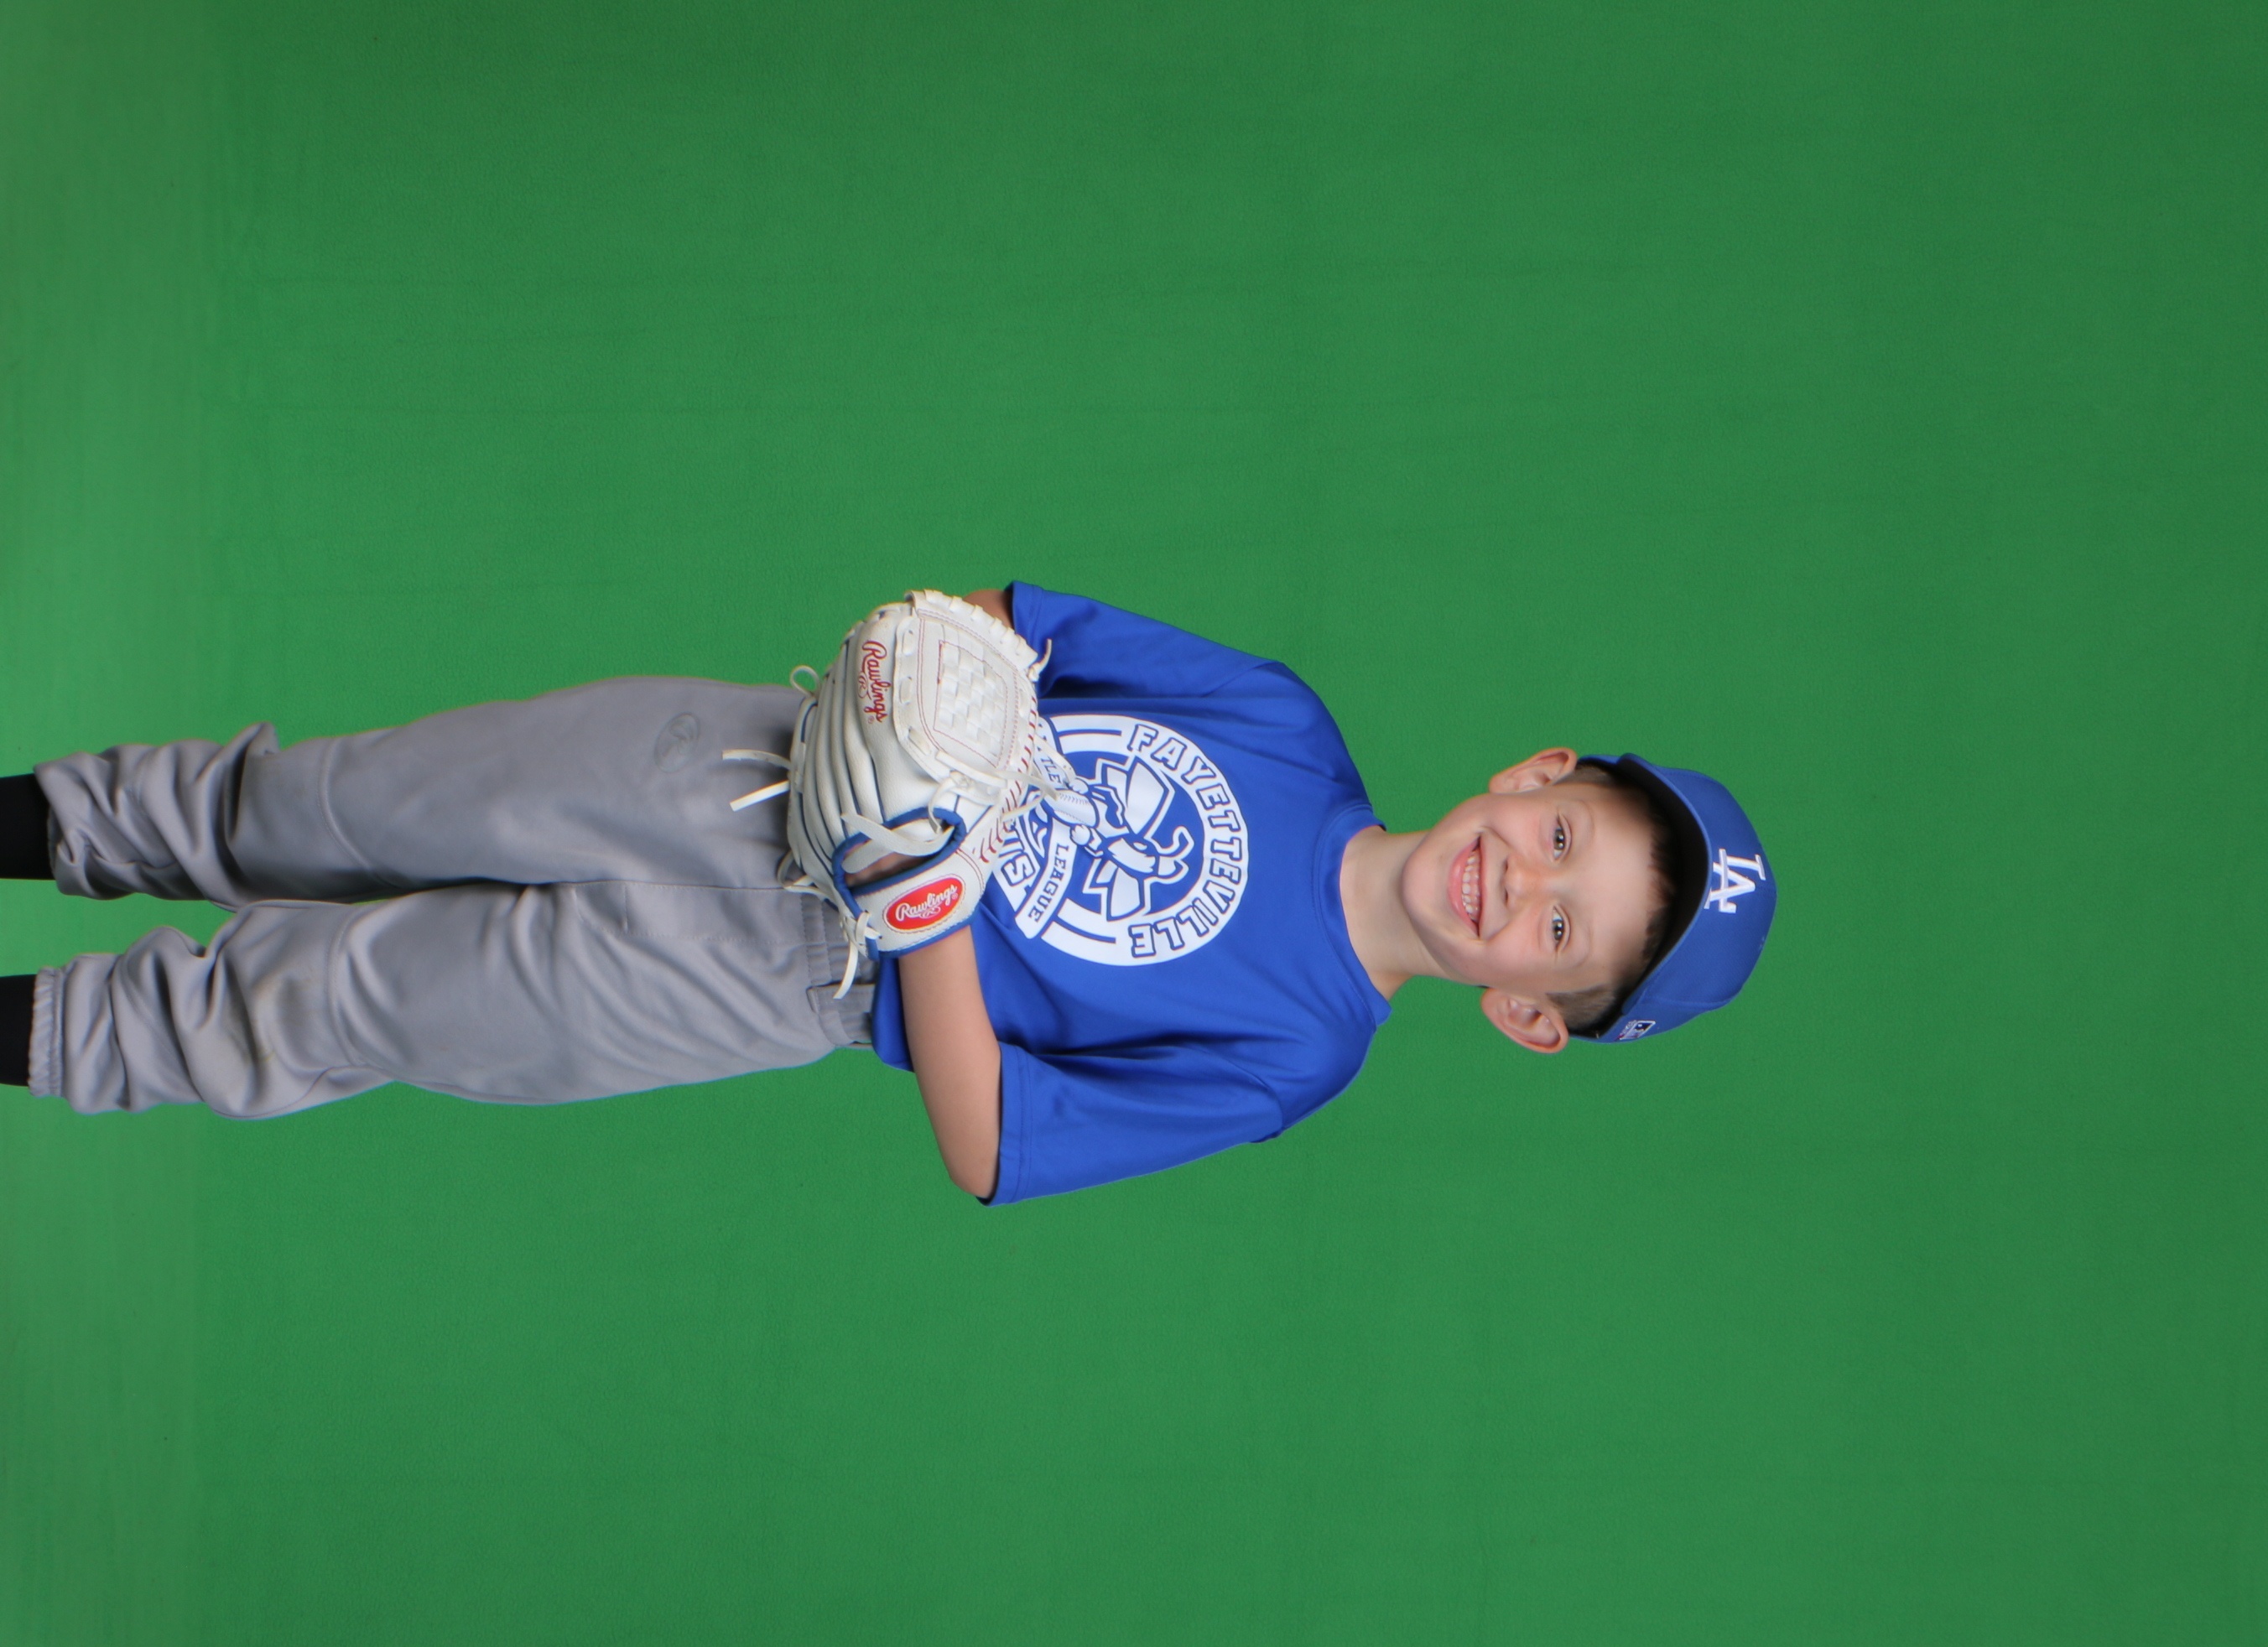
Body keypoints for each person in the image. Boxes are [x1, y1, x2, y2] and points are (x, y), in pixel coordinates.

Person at [0, 579, 1776, 1202]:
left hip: (795, 973)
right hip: (748, 759)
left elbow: (990, 1142)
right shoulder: (1285, 728)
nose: (1523, 883)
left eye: (1564, 934)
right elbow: (1006, 625)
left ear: (1531, 1014)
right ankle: (46, 823)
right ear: (1538, 772)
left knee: (335, 1000)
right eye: (1565, 836)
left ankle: (50, 1035)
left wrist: (929, 912)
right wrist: (924, 673)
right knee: (324, 801)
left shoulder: (1295, 1051)